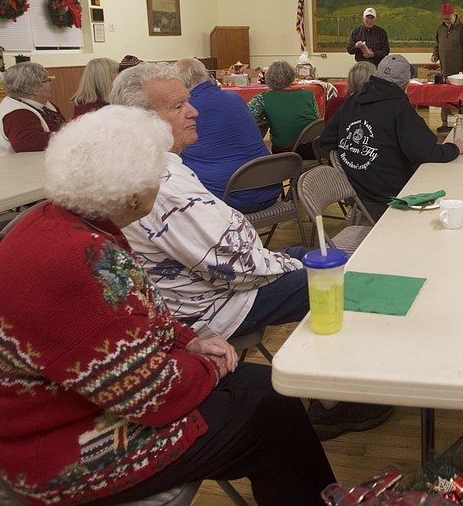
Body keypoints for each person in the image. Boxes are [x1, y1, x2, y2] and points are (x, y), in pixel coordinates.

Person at [0, 106, 334, 506]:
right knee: (270, 424)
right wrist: (203, 365)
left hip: (81, 405)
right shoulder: (80, 261)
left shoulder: (65, 223)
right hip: (64, 452)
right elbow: (152, 394)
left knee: (271, 388)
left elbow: (141, 313)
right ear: (132, 193)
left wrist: (188, 341)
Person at [112, 63, 393, 440]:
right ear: (140, 120)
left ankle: (337, 388)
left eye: (188, 102)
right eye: (178, 107)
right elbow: (233, 266)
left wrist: (287, 257)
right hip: (212, 306)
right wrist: (293, 261)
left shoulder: (158, 166)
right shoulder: (158, 182)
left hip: (225, 282)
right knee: (338, 280)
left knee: (312, 262)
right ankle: (335, 405)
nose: (193, 112)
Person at [321, 53, 463, 221]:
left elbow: (325, 141)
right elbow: (427, 153)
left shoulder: (353, 101)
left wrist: (356, 157)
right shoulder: (399, 107)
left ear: (376, 76)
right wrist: (455, 148)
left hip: (356, 195)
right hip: (392, 198)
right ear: (406, 84)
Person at [176, 57, 279, 213]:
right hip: (270, 187)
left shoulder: (187, 110)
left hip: (230, 198)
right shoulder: (235, 97)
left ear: (180, 84)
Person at [0, 62, 67, 157]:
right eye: (46, 81)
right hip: (11, 168)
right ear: (33, 89)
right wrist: (70, 135)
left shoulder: (44, 104)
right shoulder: (18, 114)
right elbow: (27, 144)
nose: (50, 83)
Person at [249, 60, 320, 157]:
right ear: (292, 76)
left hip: (285, 152)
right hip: (314, 147)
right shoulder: (308, 94)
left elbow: (248, 119)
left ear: (268, 78)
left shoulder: (261, 99)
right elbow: (317, 118)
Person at [430, 2, 463, 133]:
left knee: (460, 101)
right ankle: (445, 123)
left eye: (448, 18)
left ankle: (461, 123)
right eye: (444, 19)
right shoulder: (440, 28)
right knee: (444, 99)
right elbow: (437, 44)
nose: (446, 21)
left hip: (460, 73)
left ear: (454, 14)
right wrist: (435, 54)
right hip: (444, 70)